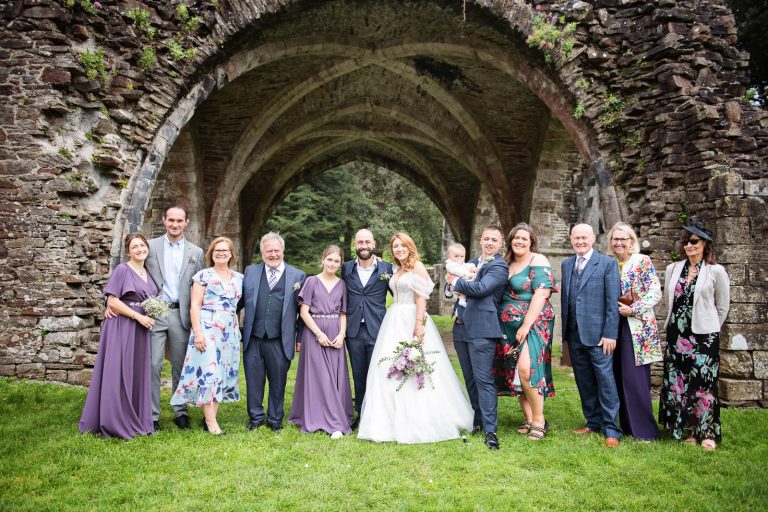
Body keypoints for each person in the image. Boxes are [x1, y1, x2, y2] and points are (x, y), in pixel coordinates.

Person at [358, 233, 473, 444]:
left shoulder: (417, 267)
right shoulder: (395, 269)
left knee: (416, 366)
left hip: (412, 317)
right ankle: (387, 420)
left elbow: (422, 298)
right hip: (393, 319)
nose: (399, 249)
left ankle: (420, 418)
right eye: (395, 246)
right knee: (388, 367)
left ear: (410, 247)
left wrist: (419, 325)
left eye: (402, 245)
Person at [659, 219, 730, 451]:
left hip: (704, 336)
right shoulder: (673, 269)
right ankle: (688, 430)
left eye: (694, 241)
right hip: (677, 334)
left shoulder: (715, 271)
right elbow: (671, 301)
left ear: (705, 244)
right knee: (679, 383)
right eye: (686, 241)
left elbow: (723, 306)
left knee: (703, 384)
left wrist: (711, 328)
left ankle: (707, 432)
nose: (688, 245)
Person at [80, 234, 157, 439]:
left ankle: (135, 418)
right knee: (119, 371)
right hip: (122, 326)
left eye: (142, 245)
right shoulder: (123, 269)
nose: (140, 249)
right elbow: (112, 301)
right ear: (128, 251)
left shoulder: (147, 272)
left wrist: (150, 315)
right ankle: (114, 420)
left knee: (136, 371)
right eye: (135, 246)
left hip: (140, 329)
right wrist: (137, 317)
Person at [170, 237, 243, 436]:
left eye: (225, 250)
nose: (220, 253)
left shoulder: (239, 278)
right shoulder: (203, 276)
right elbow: (195, 305)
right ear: (211, 253)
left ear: (231, 254)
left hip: (229, 330)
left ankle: (209, 417)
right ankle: (212, 425)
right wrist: (198, 333)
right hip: (207, 328)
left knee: (223, 373)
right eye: (216, 250)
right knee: (210, 372)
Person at [445, 226, 509, 450]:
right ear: (480, 240)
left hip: (482, 328)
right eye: (486, 239)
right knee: (470, 378)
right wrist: (449, 284)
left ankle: (491, 431)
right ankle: (478, 422)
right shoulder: (471, 262)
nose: (490, 242)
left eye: (494, 240)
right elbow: (448, 289)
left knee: (483, 380)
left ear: (500, 244)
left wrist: (455, 282)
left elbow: (481, 288)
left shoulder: (500, 266)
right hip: (461, 326)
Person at [561, 223, 622, 448]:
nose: (580, 241)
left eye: (584, 237)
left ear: (593, 238)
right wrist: (565, 336)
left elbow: (612, 302)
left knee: (605, 381)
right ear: (571, 239)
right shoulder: (567, 264)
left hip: (599, 336)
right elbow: (568, 299)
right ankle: (593, 422)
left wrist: (610, 334)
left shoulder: (607, 264)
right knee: (584, 380)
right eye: (576, 238)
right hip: (575, 334)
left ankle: (612, 429)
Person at [496, 223, 558, 441]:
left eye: (524, 238)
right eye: (516, 238)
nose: (519, 241)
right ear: (510, 240)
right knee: (515, 371)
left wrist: (526, 325)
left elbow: (541, 295)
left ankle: (539, 420)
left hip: (534, 321)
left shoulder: (537, 260)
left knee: (526, 369)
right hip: (507, 324)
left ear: (531, 242)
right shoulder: (506, 262)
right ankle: (529, 418)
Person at [239, 232, 306, 431]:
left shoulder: (298, 276)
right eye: (269, 251)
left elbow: (303, 311)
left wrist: (300, 337)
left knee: (278, 382)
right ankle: (256, 418)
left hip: (280, 338)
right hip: (254, 336)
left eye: (277, 250)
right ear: (262, 253)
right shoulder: (251, 272)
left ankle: (275, 419)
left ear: (283, 251)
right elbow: (238, 301)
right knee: (253, 380)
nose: (273, 254)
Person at [144, 205, 204, 430]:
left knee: (180, 364)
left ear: (186, 222)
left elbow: (199, 285)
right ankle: (151, 414)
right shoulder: (150, 247)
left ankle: (181, 411)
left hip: (181, 313)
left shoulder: (195, 252)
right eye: (171, 220)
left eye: (179, 220)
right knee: (153, 363)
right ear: (164, 220)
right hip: (156, 311)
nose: (175, 224)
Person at [289, 245, 354, 438]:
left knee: (334, 376)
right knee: (319, 376)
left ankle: (336, 414)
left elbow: (343, 313)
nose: (333, 264)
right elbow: (304, 312)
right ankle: (330, 421)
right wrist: (318, 334)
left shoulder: (342, 285)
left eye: (337, 261)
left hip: (335, 333)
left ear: (340, 263)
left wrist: (342, 334)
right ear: (323, 259)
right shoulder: (311, 281)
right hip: (315, 333)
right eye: (330, 259)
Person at [607, 222, 662, 441]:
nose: (619, 243)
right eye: (615, 239)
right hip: (614, 326)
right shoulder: (609, 263)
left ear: (632, 241)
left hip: (636, 326)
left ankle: (645, 431)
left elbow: (655, 291)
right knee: (618, 376)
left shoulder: (641, 261)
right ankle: (626, 426)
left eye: (624, 239)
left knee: (635, 378)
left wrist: (634, 308)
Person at [341, 229, 394, 426]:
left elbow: (398, 293)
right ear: (355, 245)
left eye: (367, 242)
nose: (363, 246)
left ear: (373, 244)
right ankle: (361, 415)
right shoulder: (346, 268)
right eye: (360, 242)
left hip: (377, 328)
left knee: (379, 374)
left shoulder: (386, 269)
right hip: (353, 330)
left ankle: (380, 415)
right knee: (359, 373)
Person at [444, 242, 477, 308]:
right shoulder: (450, 264)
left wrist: (472, 267)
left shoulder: (461, 263)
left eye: (462, 256)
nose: (459, 258)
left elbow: (467, 265)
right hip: (455, 286)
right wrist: (469, 275)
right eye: (456, 256)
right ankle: (462, 300)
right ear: (449, 257)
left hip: (461, 284)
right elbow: (459, 271)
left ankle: (463, 299)